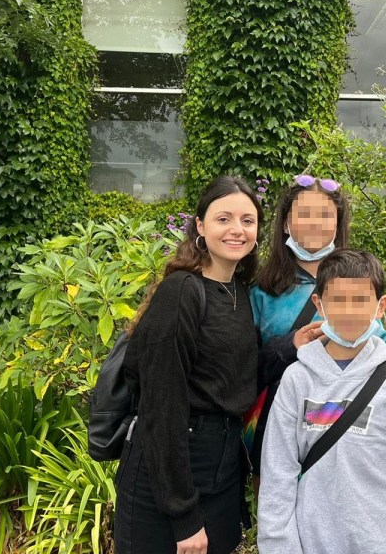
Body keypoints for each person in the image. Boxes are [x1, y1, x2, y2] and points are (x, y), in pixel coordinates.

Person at [257, 249, 386, 554]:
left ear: (381, 306)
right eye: (338, 300)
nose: (349, 312)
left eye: (360, 300)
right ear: (319, 304)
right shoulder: (297, 380)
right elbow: (277, 477)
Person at [114, 175, 263, 554]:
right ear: (200, 226)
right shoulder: (181, 292)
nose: (237, 229)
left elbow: (235, 375)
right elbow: (161, 406)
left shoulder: (239, 292)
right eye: (223, 219)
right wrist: (183, 516)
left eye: (247, 220)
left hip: (223, 470)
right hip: (169, 477)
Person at [246, 175, 386, 477]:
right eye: (305, 214)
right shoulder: (263, 292)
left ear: (338, 224)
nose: (315, 223)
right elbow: (244, 369)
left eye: (325, 215)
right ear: (286, 223)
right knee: (277, 498)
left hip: (344, 425)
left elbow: (381, 351)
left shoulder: (358, 280)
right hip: (276, 424)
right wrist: (288, 346)